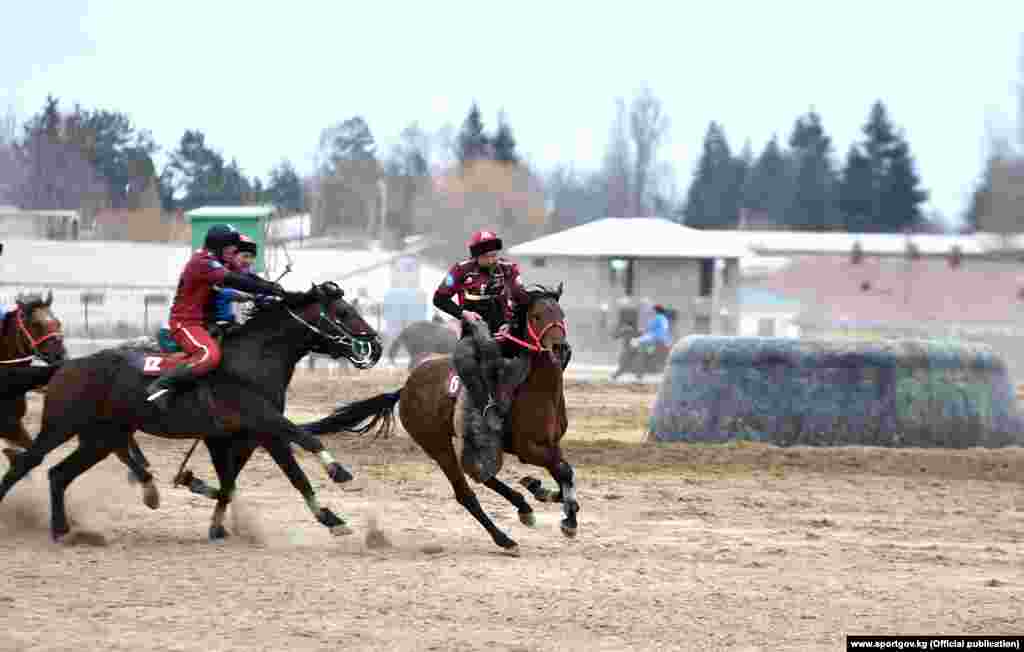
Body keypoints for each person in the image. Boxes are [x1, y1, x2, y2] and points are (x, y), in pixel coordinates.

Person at [145, 224, 287, 412]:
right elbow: (235, 281)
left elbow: (247, 277)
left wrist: (271, 289)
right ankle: (161, 386)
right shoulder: (202, 262)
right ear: (219, 246)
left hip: (206, 324)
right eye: (232, 247)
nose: (235, 250)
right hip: (186, 323)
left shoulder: (219, 262)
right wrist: (267, 288)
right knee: (209, 356)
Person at [433, 229, 530, 482]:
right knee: (463, 359)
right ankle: (487, 407)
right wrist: (463, 313)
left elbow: (521, 298)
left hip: (504, 331)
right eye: (487, 255)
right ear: (476, 256)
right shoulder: (460, 271)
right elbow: (439, 298)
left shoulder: (509, 270)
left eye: (495, 252)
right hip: (472, 332)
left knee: (531, 357)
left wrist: (513, 322)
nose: (493, 258)